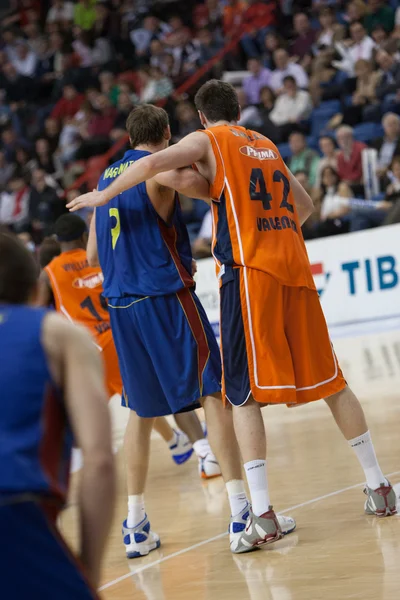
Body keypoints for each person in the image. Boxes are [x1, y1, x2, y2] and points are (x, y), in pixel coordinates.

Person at [69, 81, 397, 552]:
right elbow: (303, 206)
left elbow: (142, 184)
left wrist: (102, 197)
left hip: (196, 288)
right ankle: (375, 487)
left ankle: (234, 516)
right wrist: (265, 226)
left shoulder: (183, 149)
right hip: (282, 274)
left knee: (221, 398)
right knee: (327, 383)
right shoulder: (265, 144)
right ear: (238, 110)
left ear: (201, 119)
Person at [74, 105, 295, 557]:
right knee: (214, 392)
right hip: (163, 298)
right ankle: (240, 512)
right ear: (169, 133)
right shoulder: (158, 167)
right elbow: (209, 189)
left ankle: (134, 525)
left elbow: (93, 255)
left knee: (140, 414)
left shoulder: (104, 180)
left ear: (128, 135)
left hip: (120, 307)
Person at [38, 215, 216, 476]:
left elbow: (39, 314)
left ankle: (57, 470)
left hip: (88, 351)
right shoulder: (104, 258)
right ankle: (203, 451)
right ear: (85, 238)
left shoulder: (49, 273)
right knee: (161, 395)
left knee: (127, 406)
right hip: (124, 337)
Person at [0, 232, 115, 597]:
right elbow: (99, 461)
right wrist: (90, 573)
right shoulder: (57, 333)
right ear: (37, 291)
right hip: (15, 514)